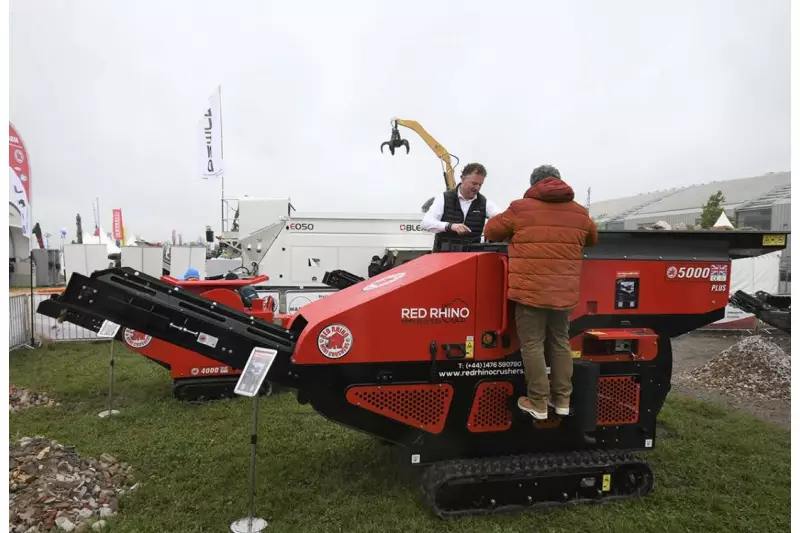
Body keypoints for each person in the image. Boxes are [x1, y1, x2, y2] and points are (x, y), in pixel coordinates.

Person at [484, 164, 598, 420]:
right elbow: (591, 238)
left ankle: (537, 402)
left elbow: (491, 230)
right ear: (559, 181)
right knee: (560, 342)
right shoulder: (580, 212)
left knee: (532, 344)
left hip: (530, 293)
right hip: (563, 294)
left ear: (534, 184)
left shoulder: (520, 208)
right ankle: (563, 400)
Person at [421, 162, 502, 251]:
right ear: (462, 179)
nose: (477, 188)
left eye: (480, 184)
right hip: (443, 258)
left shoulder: (485, 203)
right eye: (474, 183)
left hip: (469, 259)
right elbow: (426, 223)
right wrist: (450, 226)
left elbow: (503, 220)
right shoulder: (443, 198)